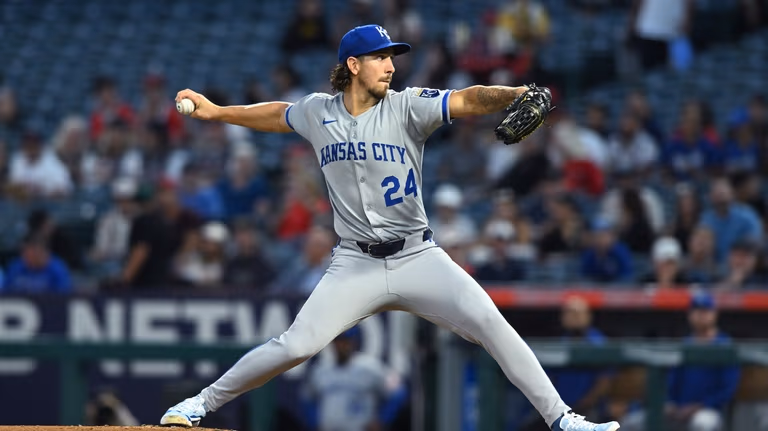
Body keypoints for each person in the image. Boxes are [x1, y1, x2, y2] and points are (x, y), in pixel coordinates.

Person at [161, 24, 619, 431]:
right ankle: (199, 404)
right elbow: (276, 113)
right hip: (354, 261)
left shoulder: (407, 107)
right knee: (296, 344)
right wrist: (218, 112)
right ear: (353, 65)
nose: (390, 66)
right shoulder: (317, 112)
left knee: (490, 322)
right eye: (380, 57)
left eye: (392, 57)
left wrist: (513, 93)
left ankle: (562, 419)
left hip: (418, 256)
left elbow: (468, 98)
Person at [621, 293, 741, 431]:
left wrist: (698, 407)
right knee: (633, 422)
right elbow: (671, 381)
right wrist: (668, 403)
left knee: (702, 424)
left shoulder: (725, 345)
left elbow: (727, 390)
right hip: (678, 410)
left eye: (705, 311)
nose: (700, 316)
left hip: (708, 410)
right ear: (690, 315)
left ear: (714, 314)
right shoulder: (685, 345)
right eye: (696, 311)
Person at [302, 327, 405, 431]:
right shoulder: (321, 370)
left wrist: (382, 420)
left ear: (353, 342)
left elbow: (398, 393)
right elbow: (307, 399)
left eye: (345, 341)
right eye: (338, 341)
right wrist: (315, 423)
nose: (342, 346)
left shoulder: (370, 367)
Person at [2, 237, 72, 293]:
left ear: (41, 253)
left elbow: (63, 293)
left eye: (30, 254)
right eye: (24, 253)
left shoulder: (57, 269)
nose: (25, 256)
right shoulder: (16, 267)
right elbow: (5, 291)